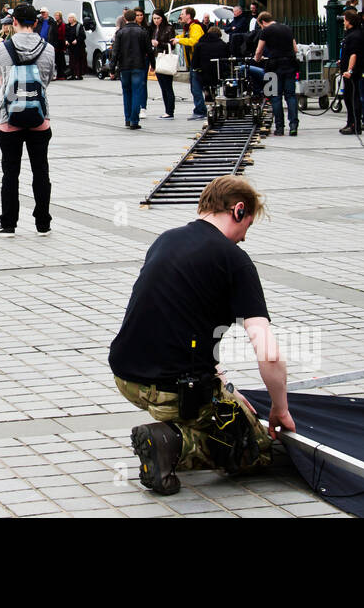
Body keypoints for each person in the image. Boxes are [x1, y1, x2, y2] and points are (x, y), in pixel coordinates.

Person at [109, 175, 292, 495]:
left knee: (224, 408)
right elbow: (269, 351)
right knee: (257, 450)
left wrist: (221, 388)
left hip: (126, 377)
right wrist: (280, 408)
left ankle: (177, 429)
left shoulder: (165, 239)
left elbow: (174, 319)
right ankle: (172, 442)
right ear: (238, 210)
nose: (243, 239)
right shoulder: (234, 259)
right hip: (173, 390)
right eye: (247, 227)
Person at [0, 4, 55, 236]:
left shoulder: (1, 49)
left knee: (10, 173)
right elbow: (47, 80)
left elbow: (1, 81)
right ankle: (43, 222)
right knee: (41, 171)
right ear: (36, 22)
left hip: (9, 120)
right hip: (39, 117)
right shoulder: (48, 49)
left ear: (14, 22)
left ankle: (8, 223)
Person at [253, 12, 299, 137]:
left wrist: (257, 59)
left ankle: (279, 128)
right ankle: (293, 126)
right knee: (291, 96)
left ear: (262, 22)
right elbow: (295, 49)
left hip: (274, 67)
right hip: (289, 65)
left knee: (276, 96)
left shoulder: (266, 31)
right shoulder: (287, 28)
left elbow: (259, 50)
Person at [113, 9, 151, 130]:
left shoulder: (120, 33)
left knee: (126, 92)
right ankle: (135, 120)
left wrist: (112, 67)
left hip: (124, 66)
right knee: (137, 92)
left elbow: (115, 51)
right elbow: (148, 49)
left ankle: (128, 118)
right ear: (135, 18)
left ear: (125, 19)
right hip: (138, 66)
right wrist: (153, 64)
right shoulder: (142, 32)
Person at [176, 8, 207, 117]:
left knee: (196, 87)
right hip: (192, 62)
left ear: (188, 15)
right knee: (194, 87)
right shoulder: (188, 28)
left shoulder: (195, 27)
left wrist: (179, 41)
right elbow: (185, 37)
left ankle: (200, 111)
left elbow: (194, 41)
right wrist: (176, 38)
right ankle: (199, 109)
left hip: (197, 61)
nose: (181, 16)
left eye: (182, 14)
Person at [338, 9, 364, 134]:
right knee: (347, 97)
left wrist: (349, 70)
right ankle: (350, 122)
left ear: (349, 21)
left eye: (344, 20)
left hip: (352, 73)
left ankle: (355, 124)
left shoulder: (355, 36)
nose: (343, 22)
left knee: (353, 98)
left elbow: (354, 54)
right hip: (347, 71)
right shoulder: (350, 34)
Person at [149, 9, 178, 119]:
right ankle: (167, 110)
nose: (156, 21)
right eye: (154, 18)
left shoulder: (168, 28)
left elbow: (172, 44)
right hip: (157, 58)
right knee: (162, 86)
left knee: (167, 86)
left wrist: (159, 43)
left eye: (158, 18)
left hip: (164, 57)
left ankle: (170, 111)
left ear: (162, 18)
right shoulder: (152, 29)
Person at [192, 25, 231, 101]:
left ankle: (205, 91)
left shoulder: (199, 45)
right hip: (220, 73)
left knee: (194, 73)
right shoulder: (223, 45)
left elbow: (194, 63)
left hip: (204, 74)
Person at [64, 14, 86, 80]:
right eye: (69, 18)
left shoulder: (79, 26)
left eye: (71, 18)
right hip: (71, 47)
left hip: (79, 47)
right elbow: (65, 35)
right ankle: (72, 74)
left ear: (74, 18)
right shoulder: (67, 26)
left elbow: (83, 36)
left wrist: (77, 40)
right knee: (72, 61)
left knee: (78, 61)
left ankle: (79, 75)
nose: (70, 19)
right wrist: (66, 40)